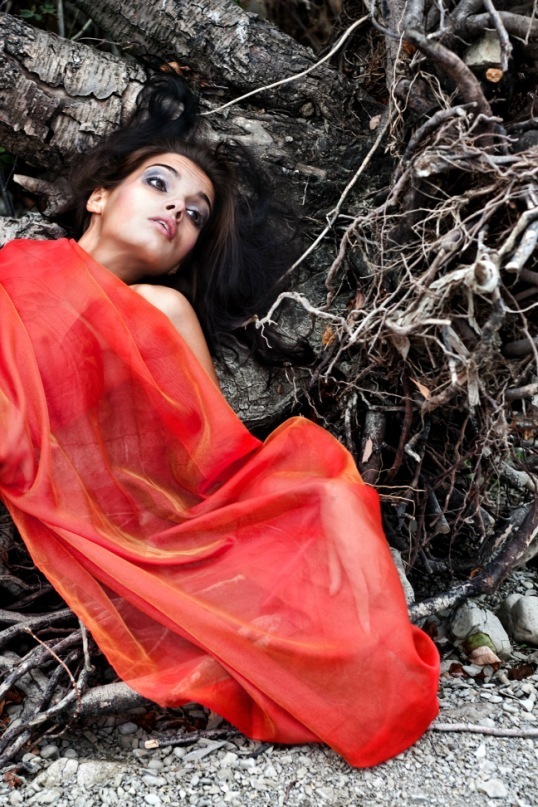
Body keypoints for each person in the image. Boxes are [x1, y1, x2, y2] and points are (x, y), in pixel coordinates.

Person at [0, 75, 439, 768]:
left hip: (124, 520)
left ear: (187, 253)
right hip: (25, 471)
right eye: (159, 184)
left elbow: (208, 462)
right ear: (99, 195)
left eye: (196, 214)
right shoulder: (17, 263)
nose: (177, 208)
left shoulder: (160, 310)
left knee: (327, 497)